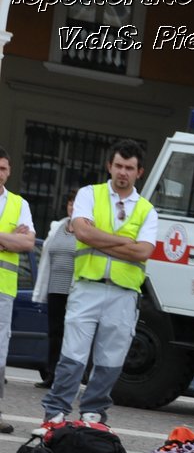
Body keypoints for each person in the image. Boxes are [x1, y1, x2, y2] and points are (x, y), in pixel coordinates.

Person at [39, 139, 157, 434]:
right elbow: (81, 230)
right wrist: (123, 241)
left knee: (110, 360)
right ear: (109, 166)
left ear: (139, 172)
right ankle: (55, 413)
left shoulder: (146, 210)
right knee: (73, 355)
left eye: (129, 168)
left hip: (124, 293)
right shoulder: (88, 194)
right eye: (118, 165)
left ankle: (93, 413)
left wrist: (97, 238)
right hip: (87, 287)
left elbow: (143, 252)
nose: (123, 173)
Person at [0, 147, 37, 435]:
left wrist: (13, 240)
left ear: (9, 171)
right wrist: (10, 237)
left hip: (4, 289)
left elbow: (27, 244)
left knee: (0, 353)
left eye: (2, 168)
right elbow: (18, 241)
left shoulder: (18, 203)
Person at [31, 201, 75, 388]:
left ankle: (67, 377)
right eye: (71, 204)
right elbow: (46, 259)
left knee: (71, 335)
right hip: (55, 289)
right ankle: (51, 374)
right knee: (55, 333)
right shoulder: (57, 227)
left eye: (77, 204)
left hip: (74, 291)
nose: (73, 208)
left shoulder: (87, 230)